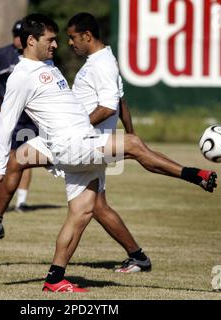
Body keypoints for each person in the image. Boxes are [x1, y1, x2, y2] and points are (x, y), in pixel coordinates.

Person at [0, 14, 217, 293]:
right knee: (132, 145)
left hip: (77, 142)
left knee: (82, 212)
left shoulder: (47, 65)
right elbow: (6, 123)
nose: (57, 45)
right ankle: (195, 175)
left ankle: (55, 278)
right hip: (71, 145)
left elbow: (107, 103)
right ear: (31, 40)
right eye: (50, 40)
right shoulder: (21, 76)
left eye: (59, 39)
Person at [67, 12, 150, 273]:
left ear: (87, 36)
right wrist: (131, 135)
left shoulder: (100, 64)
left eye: (72, 38)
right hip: (92, 143)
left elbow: (107, 107)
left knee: (89, 207)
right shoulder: (103, 60)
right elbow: (121, 102)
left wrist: (74, 130)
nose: (70, 43)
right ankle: (138, 256)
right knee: (98, 206)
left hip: (90, 143)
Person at [0, 20, 39, 212]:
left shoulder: (36, 57)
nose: (18, 40)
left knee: (25, 157)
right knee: (8, 156)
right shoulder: (1, 55)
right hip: (10, 116)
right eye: (16, 35)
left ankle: (21, 201)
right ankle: (3, 198)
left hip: (29, 118)